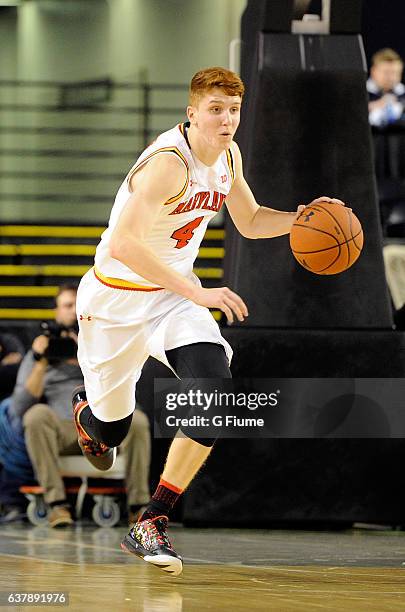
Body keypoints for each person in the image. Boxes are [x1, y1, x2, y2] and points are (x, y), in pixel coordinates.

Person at [73, 66, 345, 576]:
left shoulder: (229, 157)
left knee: (216, 395)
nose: (226, 120)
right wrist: (197, 289)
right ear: (192, 112)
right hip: (114, 304)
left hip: (172, 302)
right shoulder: (166, 164)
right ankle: (90, 417)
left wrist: (303, 219)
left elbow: (250, 219)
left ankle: (151, 519)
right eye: (216, 110)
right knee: (112, 431)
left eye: (234, 110)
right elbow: (123, 245)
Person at [9, 284, 150, 527]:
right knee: (35, 415)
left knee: (137, 419)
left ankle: (138, 507)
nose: (73, 311)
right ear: (56, 312)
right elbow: (19, 407)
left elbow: (122, 386)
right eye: (67, 306)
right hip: (63, 428)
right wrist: (40, 360)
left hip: (101, 425)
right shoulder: (42, 349)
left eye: (77, 305)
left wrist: (88, 356)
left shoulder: (100, 344)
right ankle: (57, 505)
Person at [367, 48, 405, 127]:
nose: (391, 78)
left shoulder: (403, 92)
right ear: (373, 71)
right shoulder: (360, 92)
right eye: (386, 72)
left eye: (395, 73)